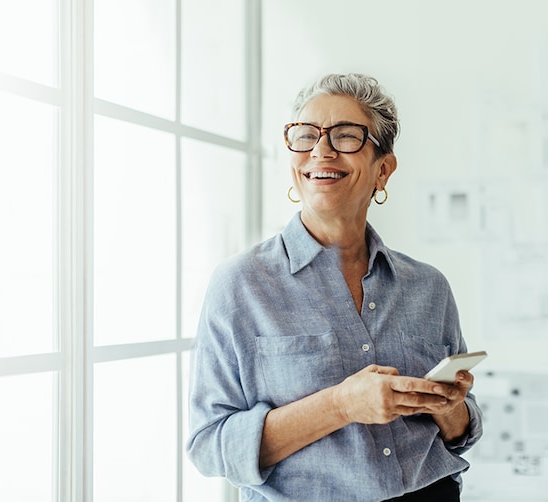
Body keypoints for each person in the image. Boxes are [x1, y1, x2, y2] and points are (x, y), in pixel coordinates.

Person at [185, 73, 482, 501]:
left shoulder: (429, 287)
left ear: (383, 169)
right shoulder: (241, 285)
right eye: (305, 136)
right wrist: (342, 405)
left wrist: (450, 407)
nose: (320, 150)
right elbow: (210, 447)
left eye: (345, 136)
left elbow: (462, 434)